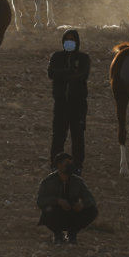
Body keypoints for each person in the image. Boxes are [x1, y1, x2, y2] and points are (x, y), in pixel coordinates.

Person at [47, 29, 90, 173]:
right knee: (58, 135)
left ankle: (78, 166)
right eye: (66, 40)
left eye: (72, 40)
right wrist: (70, 72)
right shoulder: (56, 56)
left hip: (78, 104)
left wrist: (63, 74)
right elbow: (51, 73)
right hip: (61, 104)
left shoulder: (83, 58)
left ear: (77, 42)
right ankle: (55, 164)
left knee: (78, 136)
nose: (69, 42)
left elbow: (82, 75)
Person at [36, 153, 98, 243]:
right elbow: (40, 201)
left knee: (92, 210)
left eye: (71, 163)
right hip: (56, 213)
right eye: (67, 163)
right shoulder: (48, 181)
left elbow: (91, 199)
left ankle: (72, 233)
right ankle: (58, 234)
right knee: (47, 209)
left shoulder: (77, 181)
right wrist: (57, 201)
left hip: (73, 213)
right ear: (58, 165)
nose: (70, 166)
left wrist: (82, 204)